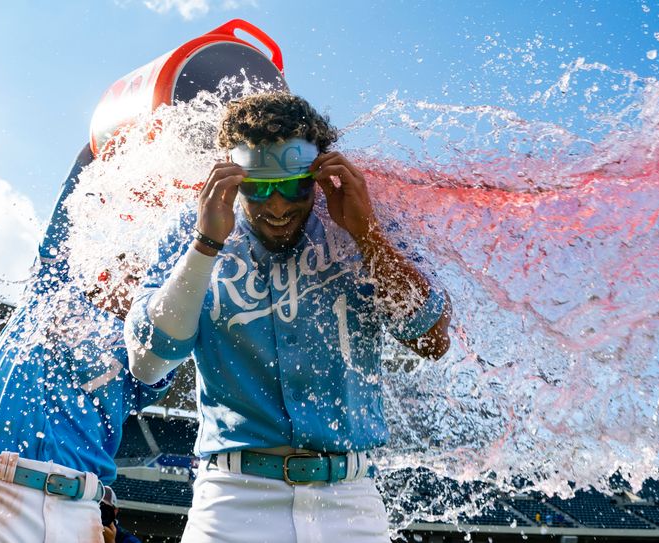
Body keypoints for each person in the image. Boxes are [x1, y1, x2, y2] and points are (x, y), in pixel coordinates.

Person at [124, 92, 452, 542]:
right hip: (234, 500)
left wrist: (367, 236)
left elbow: (432, 339)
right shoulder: (195, 227)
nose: (277, 207)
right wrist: (205, 247)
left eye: (294, 185)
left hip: (351, 501)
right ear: (232, 177)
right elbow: (148, 363)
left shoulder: (361, 221)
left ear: (318, 175)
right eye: (257, 188)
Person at [0, 145, 173, 543]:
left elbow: (175, 327)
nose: (133, 281)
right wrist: (98, 145)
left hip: (81, 509)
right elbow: (66, 213)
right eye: (126, 269)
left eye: (143, 280)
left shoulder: (142, 351)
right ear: (102, 274)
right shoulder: (51, 292)